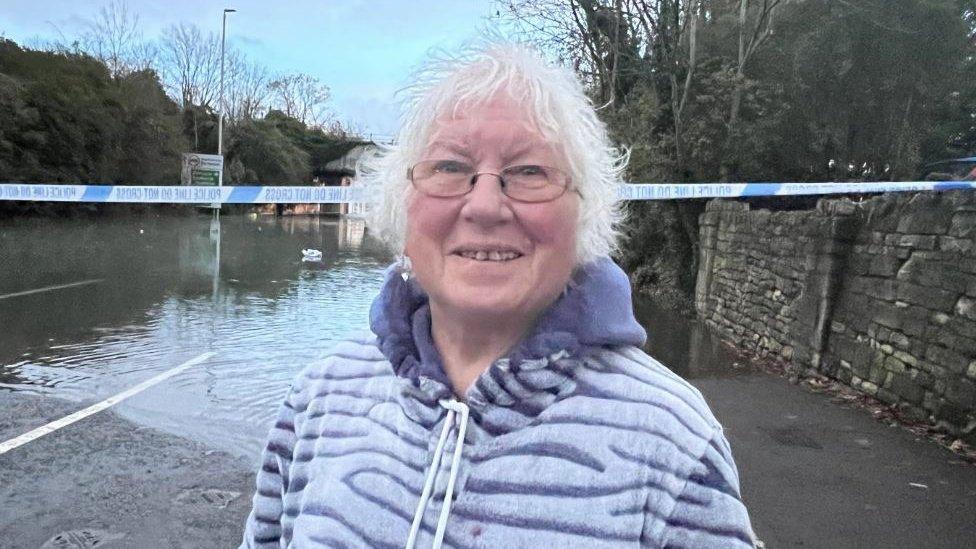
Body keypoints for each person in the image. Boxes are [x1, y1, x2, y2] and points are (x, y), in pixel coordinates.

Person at [240, 42, 754, 548]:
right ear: (402, 206)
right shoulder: (321, 395)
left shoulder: (675, 441)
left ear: (586, 214)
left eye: (530, 171)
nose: (484, 206)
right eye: (449, 168)